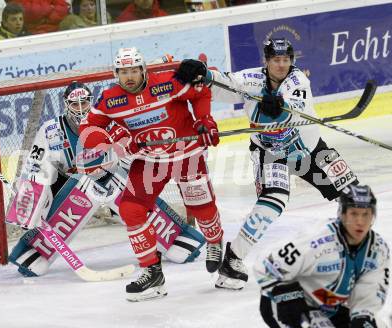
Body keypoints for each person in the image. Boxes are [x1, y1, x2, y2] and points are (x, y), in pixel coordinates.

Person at [176, 38, 359, 290]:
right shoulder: (251, 79)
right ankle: (233, 260)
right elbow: (224, 84)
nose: (281, 65)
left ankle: (356, 248)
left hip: (309, 150)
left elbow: (290, 107)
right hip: (270, 153)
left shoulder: (299, 81)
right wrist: (202, 74)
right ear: (266, 61)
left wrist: (279, 106)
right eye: (276, 60)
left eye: (285, 60)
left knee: (354, 195)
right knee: (273, 203)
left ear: (291, 61)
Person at [7, 81, 206, 278]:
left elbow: (135, 159)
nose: (80, 108)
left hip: (114, 179)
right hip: (71, 187)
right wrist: (30, 205)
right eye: (75, 104)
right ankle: (34, 250)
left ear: (90, 102)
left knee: (118, 186)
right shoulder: (51, 131)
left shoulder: (110, 122)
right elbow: (36, 168)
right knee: (34, 262)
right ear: (66, 104)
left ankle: (177, 237)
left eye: (84, 103)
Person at [79, 47, 224, 301]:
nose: (130, 77)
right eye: (124, 72)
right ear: (116, 74)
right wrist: (114, 143)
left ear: (143, 69)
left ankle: (215, 241)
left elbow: (200, 92)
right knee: (130, 209)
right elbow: (89, 127)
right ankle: (152, 273)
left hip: (185, 154)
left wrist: (205, 121)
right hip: (149, 161)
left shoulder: (167, 83)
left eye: (134, 70)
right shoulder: (110, 99)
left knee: (201, 208)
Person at [254, 184, 390, 328]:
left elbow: (368, 295)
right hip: (288, 304)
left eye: (366, 214)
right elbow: (266, 265)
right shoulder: (318, 240)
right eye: (354, 214)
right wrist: (285, 294)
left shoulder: (378, 250)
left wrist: (362, 317)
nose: (360, 222)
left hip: (328, 307)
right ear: (342, 214)